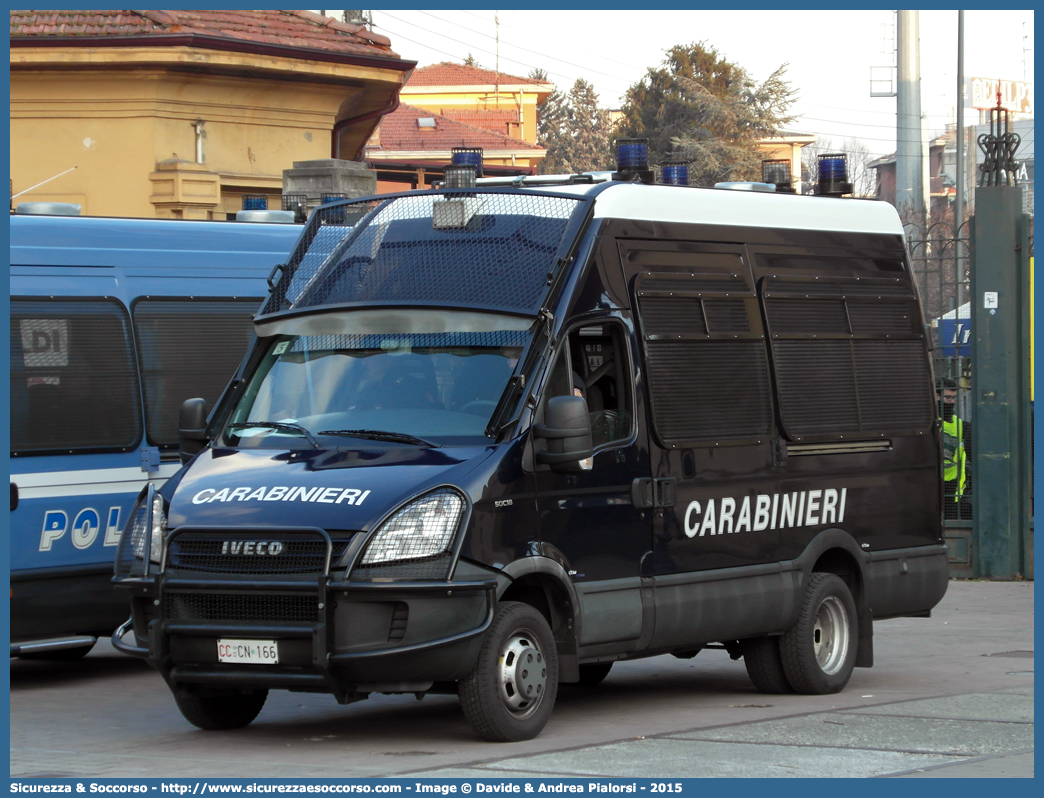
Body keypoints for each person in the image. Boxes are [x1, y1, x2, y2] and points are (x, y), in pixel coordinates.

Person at [937, 378, 971, 519]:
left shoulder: (961, 426)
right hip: (930, 485)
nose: (951, 402)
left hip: (953, 488)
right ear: (936, 397)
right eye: (947, 398)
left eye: (954, 398)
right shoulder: (927, 424)